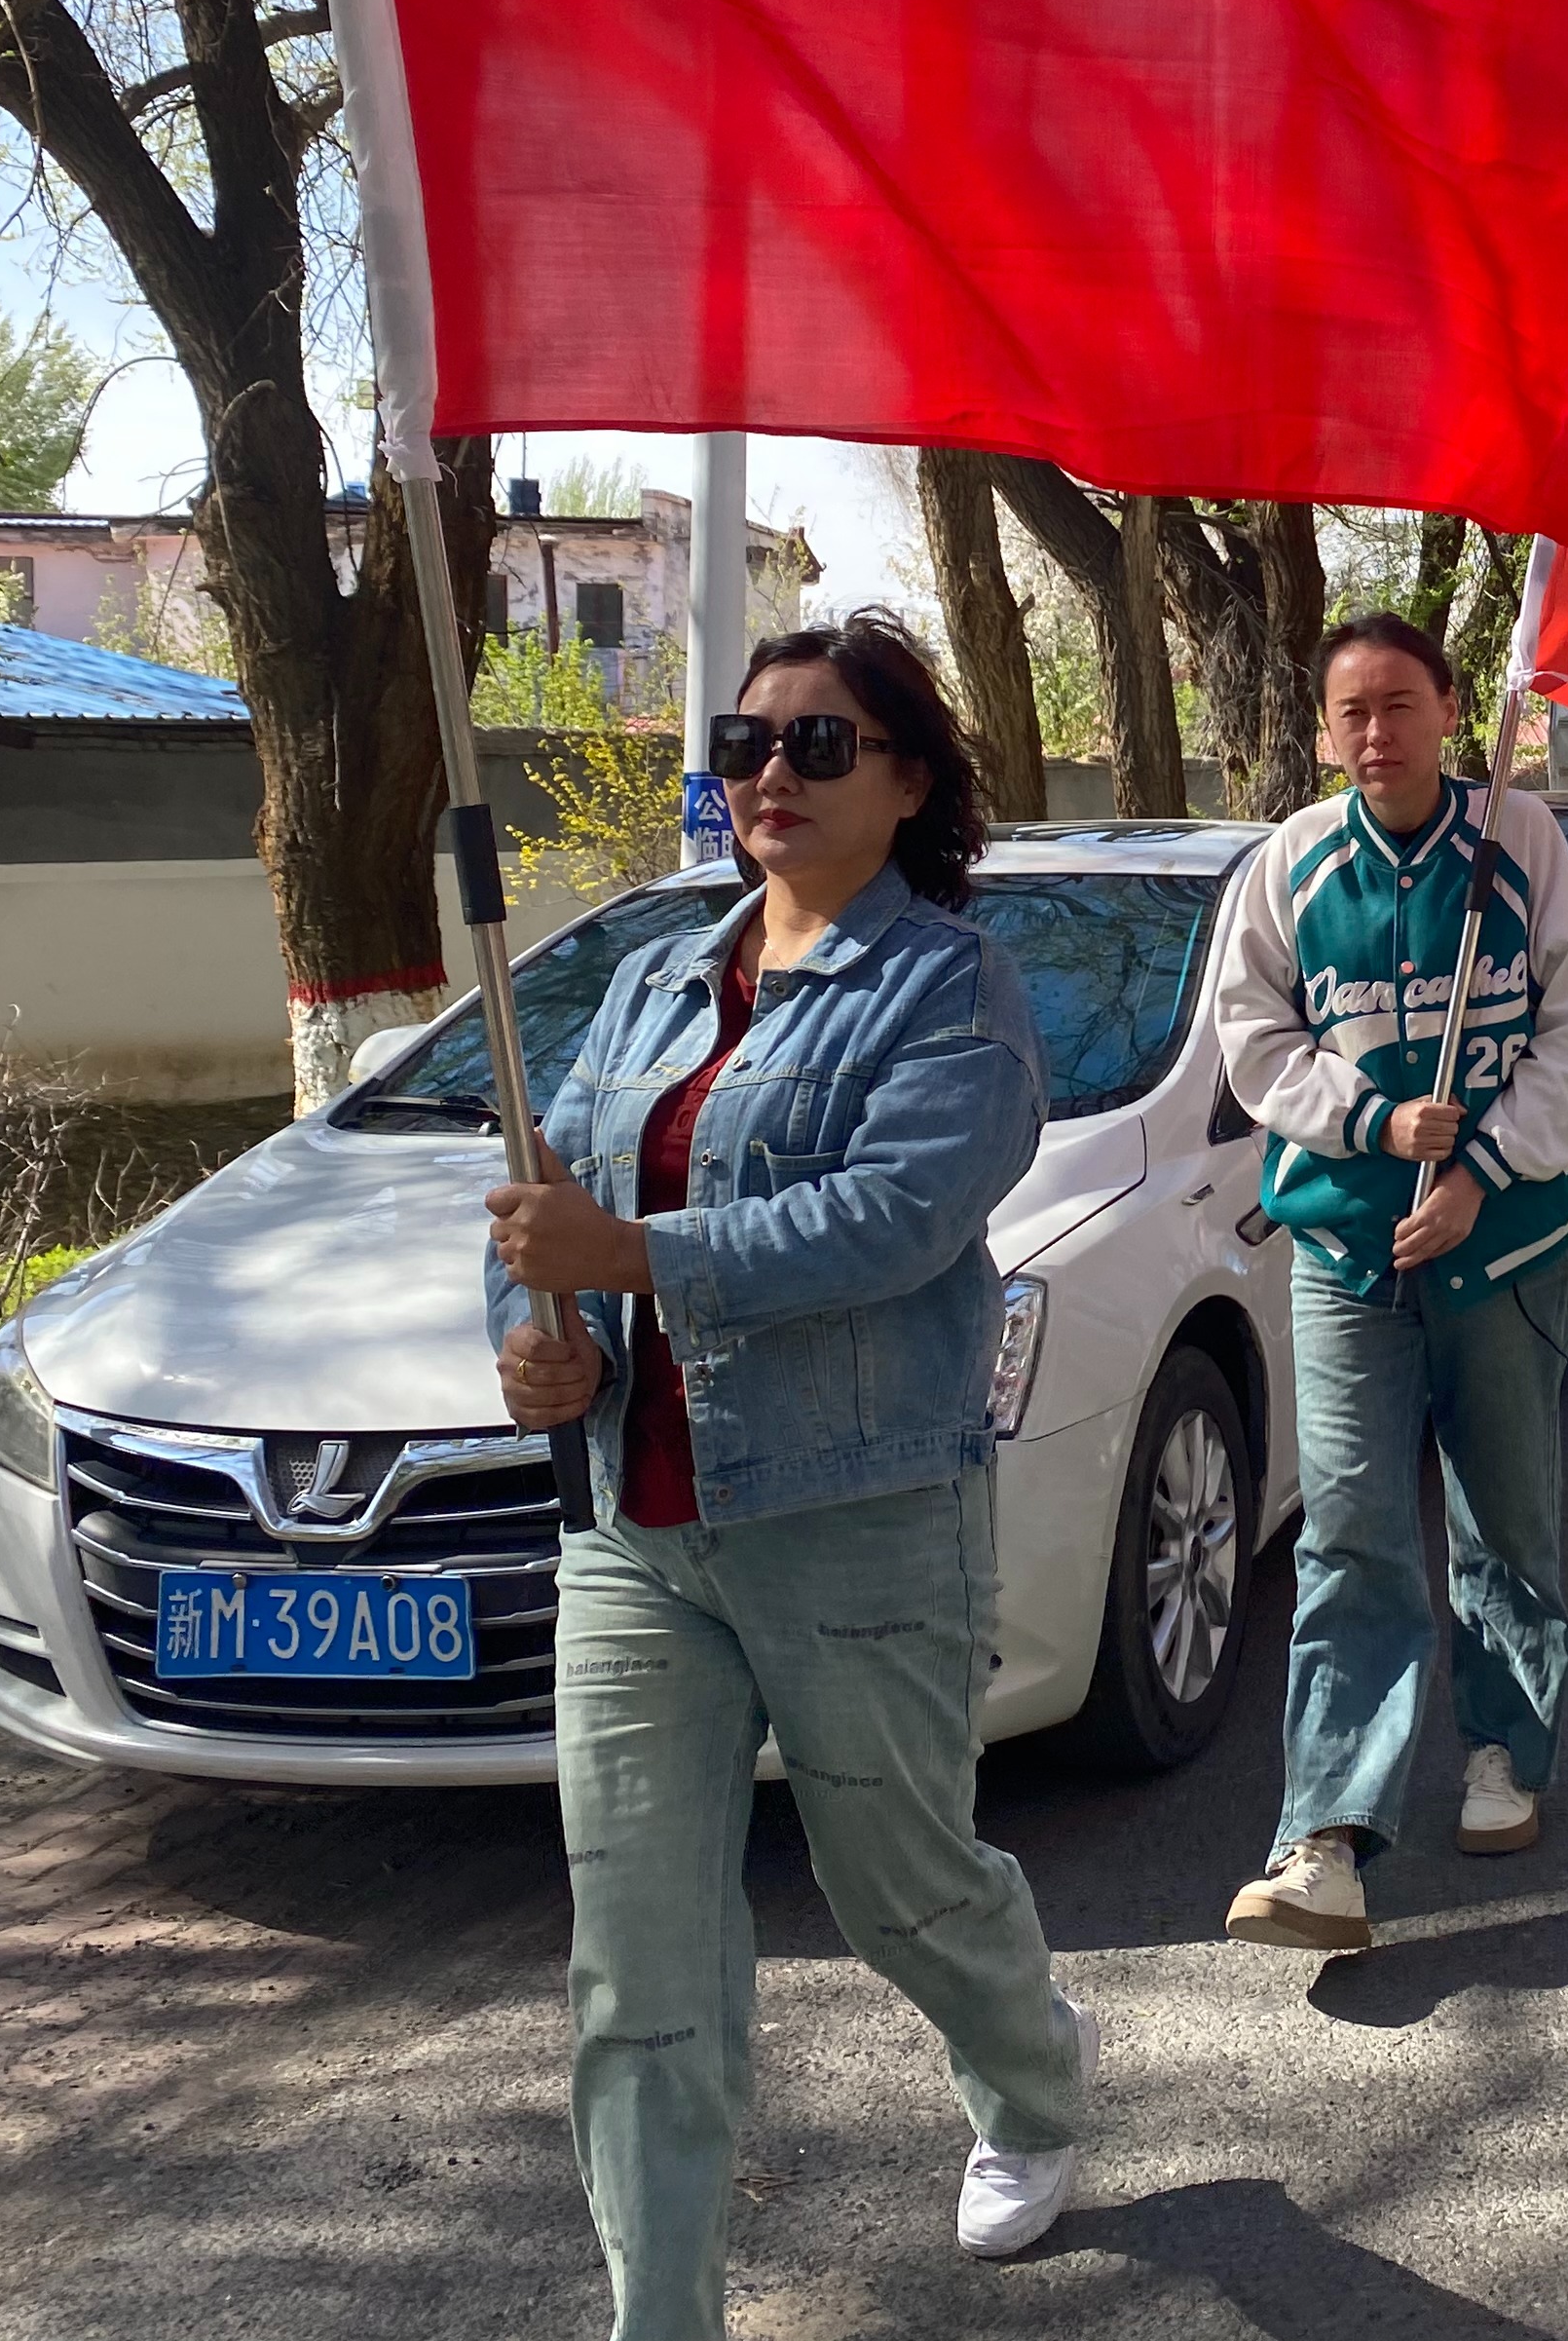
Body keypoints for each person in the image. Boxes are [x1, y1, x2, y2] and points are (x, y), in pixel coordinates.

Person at [484, 613, 1083, 2333]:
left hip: (856, 1521)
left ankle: (1031, 2077)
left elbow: (894, 1219)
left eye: (819, 743)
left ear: (908, 781)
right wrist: (536, 1339)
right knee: (638, 1966)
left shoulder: (950, 985)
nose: (770, 774)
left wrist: (635, 1258)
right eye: (744, 745)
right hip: (636, 1537)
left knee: (903, 1892)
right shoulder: (652, 980)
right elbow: (534, 1204)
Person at [1210, 613, 1568, 1955]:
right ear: (1326, 731)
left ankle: (1503, 1749)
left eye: (1398, 704)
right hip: (1347, 1253)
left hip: (1506, 1245)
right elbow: (1255, 1040)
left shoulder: (1520, 840)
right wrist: (1377, 1125)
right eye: (1352, 712)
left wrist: (1482, 1171)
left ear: (1449, 708)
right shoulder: (1291, 863)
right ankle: (1325, 1834)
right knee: (1352, 1530)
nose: (1375, 732)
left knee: (1504, 1511)